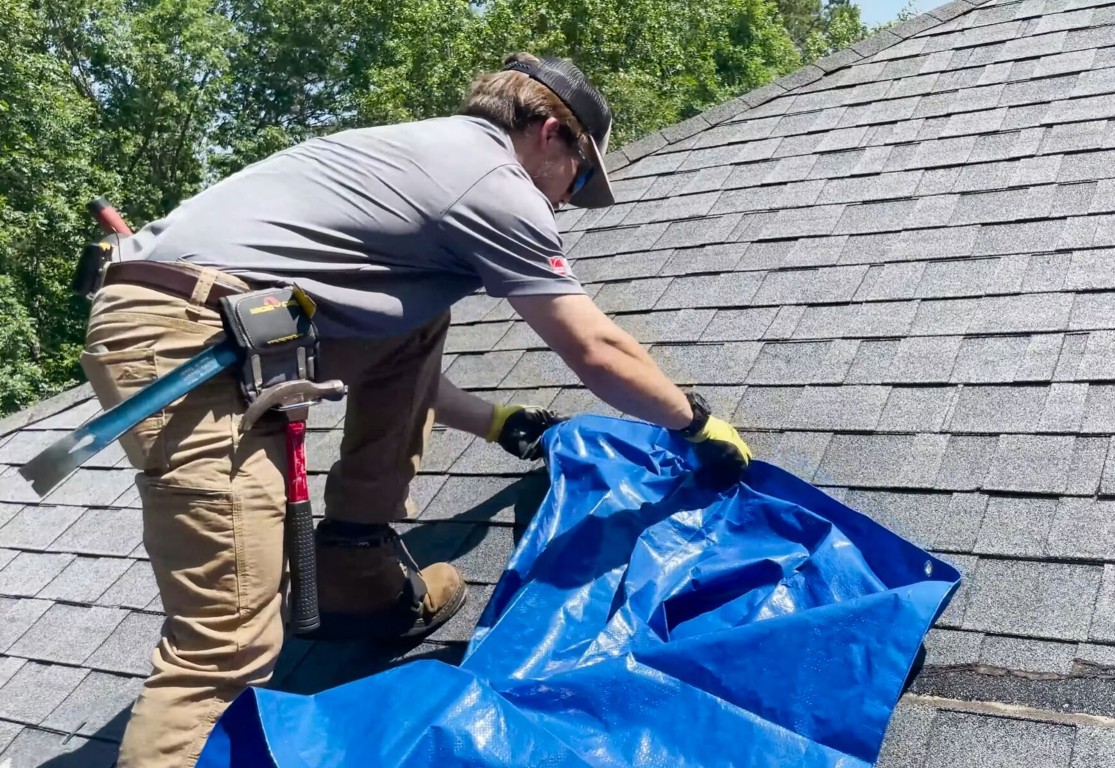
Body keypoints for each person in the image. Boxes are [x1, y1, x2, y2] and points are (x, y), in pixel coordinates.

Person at [79, 52, 753, 767]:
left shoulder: (414, 155)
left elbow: (394, 350)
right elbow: (594, 349)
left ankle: (352, 572)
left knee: (414, 318)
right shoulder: (495, 184)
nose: (562, 203)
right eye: (578, 181)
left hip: (228, 325)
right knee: (226, 639)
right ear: (552, 132)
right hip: (185, 349)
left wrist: (499, 423)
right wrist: (693, 421)